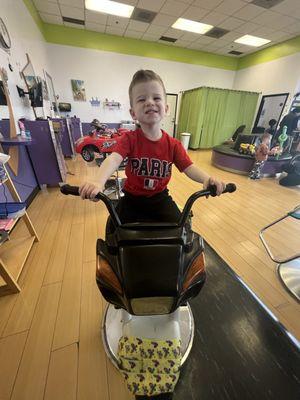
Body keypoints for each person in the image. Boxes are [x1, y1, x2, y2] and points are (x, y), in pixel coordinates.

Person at [79, 70, 225, 228]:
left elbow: (189, 167)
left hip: (160, 199)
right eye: (142, 99)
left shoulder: (173, 144)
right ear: (133, 113)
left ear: (166, 109)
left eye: (156, 98)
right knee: (113, 229)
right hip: (131, 200)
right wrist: (98, 182)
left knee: (182, 228)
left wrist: (207, 179)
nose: (149, 102)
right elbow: (113, 159)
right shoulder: (129, 139)